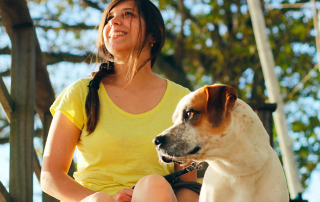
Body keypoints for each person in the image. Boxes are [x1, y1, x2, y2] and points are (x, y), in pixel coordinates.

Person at [40, 0, 201, 201]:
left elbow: (187, 185)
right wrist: (104, 198)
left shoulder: (182, 101)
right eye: (109, 18)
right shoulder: (80, 93)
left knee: (153, 184)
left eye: (128, 14)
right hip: (95, 200)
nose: (114, 22)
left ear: (155, 34)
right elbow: (50, 176)